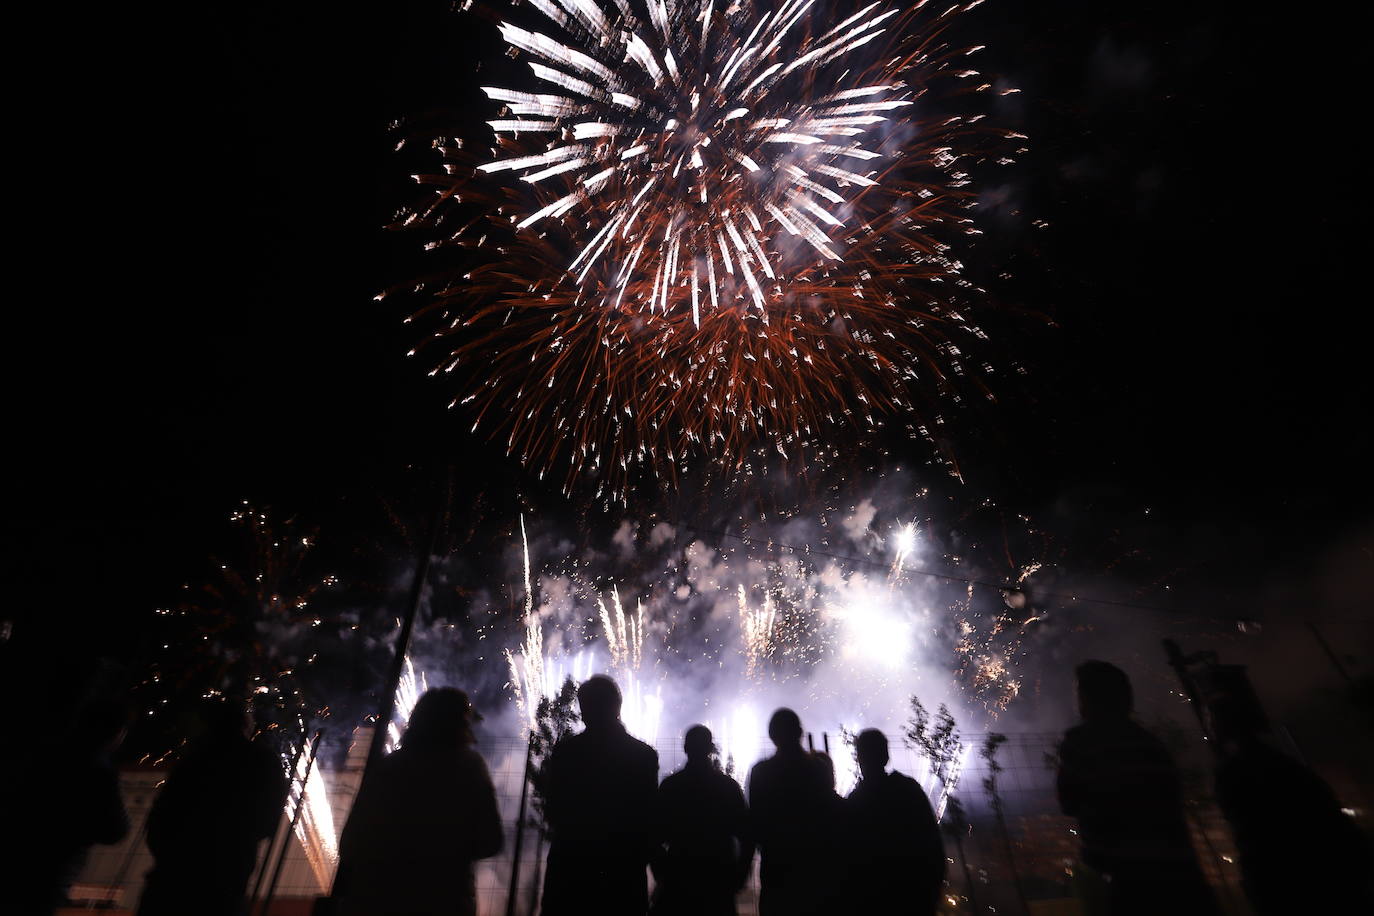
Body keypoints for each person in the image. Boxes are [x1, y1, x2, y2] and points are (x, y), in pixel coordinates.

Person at [1057, 661, 1217, 916]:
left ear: (1087, 698)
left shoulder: (1081, 743)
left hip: (1126, 878)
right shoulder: (1152, 744)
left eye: (1079, 692)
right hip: (1180, 876)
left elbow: (1068, 802)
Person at [334, 688, 502, 916]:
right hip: (442, 900)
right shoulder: (468, 766)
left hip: (374, 899)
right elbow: (491, 840)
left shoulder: (389, 766)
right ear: (460, 723)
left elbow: (351, 843)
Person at [1208, 687, 1373, 914]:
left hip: (1289, 885)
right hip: (1334, 881)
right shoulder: (1290, 766)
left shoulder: (1235, 773)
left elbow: (1249, 830)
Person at [137, 698, 288, 916]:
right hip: (227, 876)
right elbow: (269, 822)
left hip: (173, 873)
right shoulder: (262, 761)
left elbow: (162, 814)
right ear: (245, 724)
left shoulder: (194, 758)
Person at [541, 674, 659, 916]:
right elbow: (649, 818)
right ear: (617, 706)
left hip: (571, 869)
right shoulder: (643, 755)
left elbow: (553, 810)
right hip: (623, 871)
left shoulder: (567, 753)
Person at [4, 697, 130, 915]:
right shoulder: (99, 772)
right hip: (53, 870)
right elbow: (114, 829)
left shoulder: (42, 752)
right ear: (116, 732)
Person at [650, 725, 753, 916]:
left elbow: (653, 836)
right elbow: (747, 835)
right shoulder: (728, 787)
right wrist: (739, 874)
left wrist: (663, 872)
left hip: (679, 876)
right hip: (718, 876)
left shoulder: (671, 787)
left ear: (685, 748)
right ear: (711, 748)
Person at [845, 729, 945, 916]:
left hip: (874, 902)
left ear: (859, 758)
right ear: (886, 756)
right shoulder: (909, 790)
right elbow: (933, 845)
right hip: (915, 897)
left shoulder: (855, 802)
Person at [746, 708, 832, 916]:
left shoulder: (762, 772)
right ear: (800, 732)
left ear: (772, 736)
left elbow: (754, 825)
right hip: (815, 869)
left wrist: (743, 866)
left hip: (777, 868)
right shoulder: (819, 769)